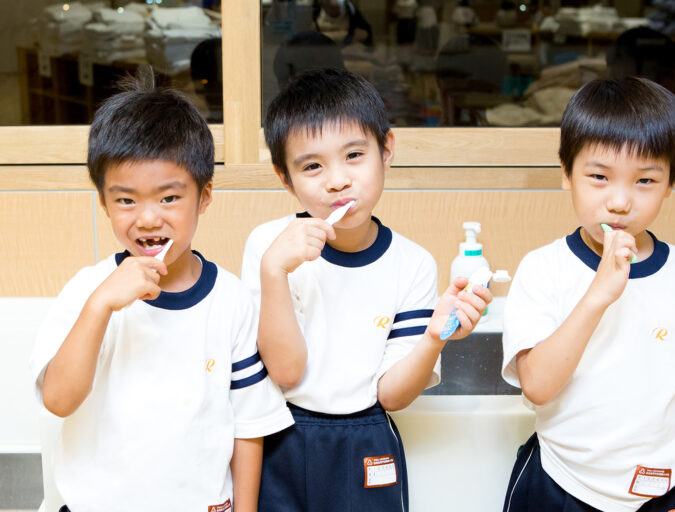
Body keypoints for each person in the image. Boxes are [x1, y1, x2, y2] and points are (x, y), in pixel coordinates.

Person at [30, 72, 293, 512]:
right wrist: (100, 306)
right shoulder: (87, 291)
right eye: (126, 200)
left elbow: (248, 425)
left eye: (169, 198)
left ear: (204, 196)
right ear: (103, 202)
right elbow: (58, 401)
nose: (148, 219)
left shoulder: (229, 300)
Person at [241, 67, 492, 511]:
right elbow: (285, 373)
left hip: (368, 436)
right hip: (283, 433)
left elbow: (392, 395)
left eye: (354, 155)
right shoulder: (270, 247)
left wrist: (436, 337)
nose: (337, 180)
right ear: (285, 178)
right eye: (312, 166)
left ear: (386, 150)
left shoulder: (412, 263)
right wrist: (274, 272)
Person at [501, 76, 675, 512]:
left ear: (670, 184)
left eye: (645, 181)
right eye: (599, 177)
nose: (619, 201)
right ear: (567, 174)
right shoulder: (544, 269)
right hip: (562, 485)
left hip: (667, 491)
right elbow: (537, 386)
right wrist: (598, 294)